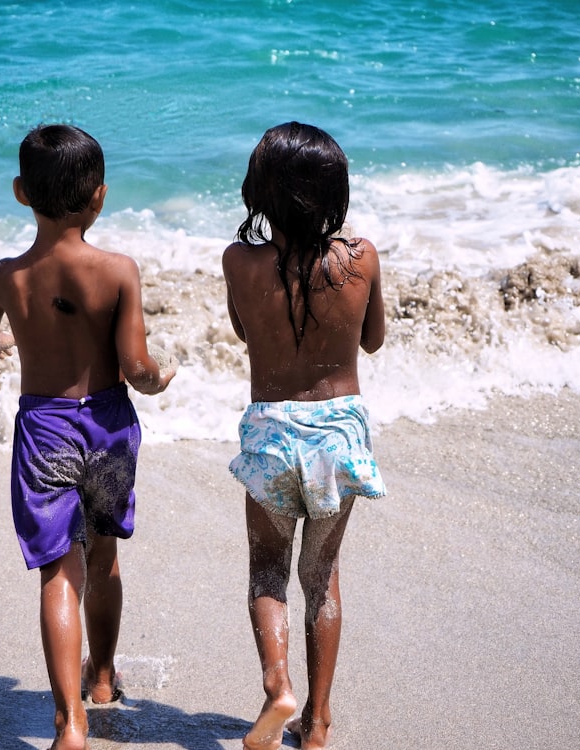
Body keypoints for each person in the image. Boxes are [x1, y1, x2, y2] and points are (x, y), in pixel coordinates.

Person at [0, 124, 175, 750]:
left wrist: (9, 341)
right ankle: (103, 680)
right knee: (104, 554)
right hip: (107, 425)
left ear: (20, 192)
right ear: (100, 197)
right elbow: (135, 368)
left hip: (45, 427)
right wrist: (158, 380)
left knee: (59, 570)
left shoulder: (7, 276)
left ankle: (69, 725)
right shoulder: (117, 271)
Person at [222, 122, 387, 750]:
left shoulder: (239, 260)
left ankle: (277, 687)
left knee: (268, 572)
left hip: (270, 429)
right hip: (339, 434)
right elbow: (371, 340)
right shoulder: (361, 257)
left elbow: (244, 332)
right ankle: (317, 726)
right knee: (323, 577)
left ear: (261, 191)